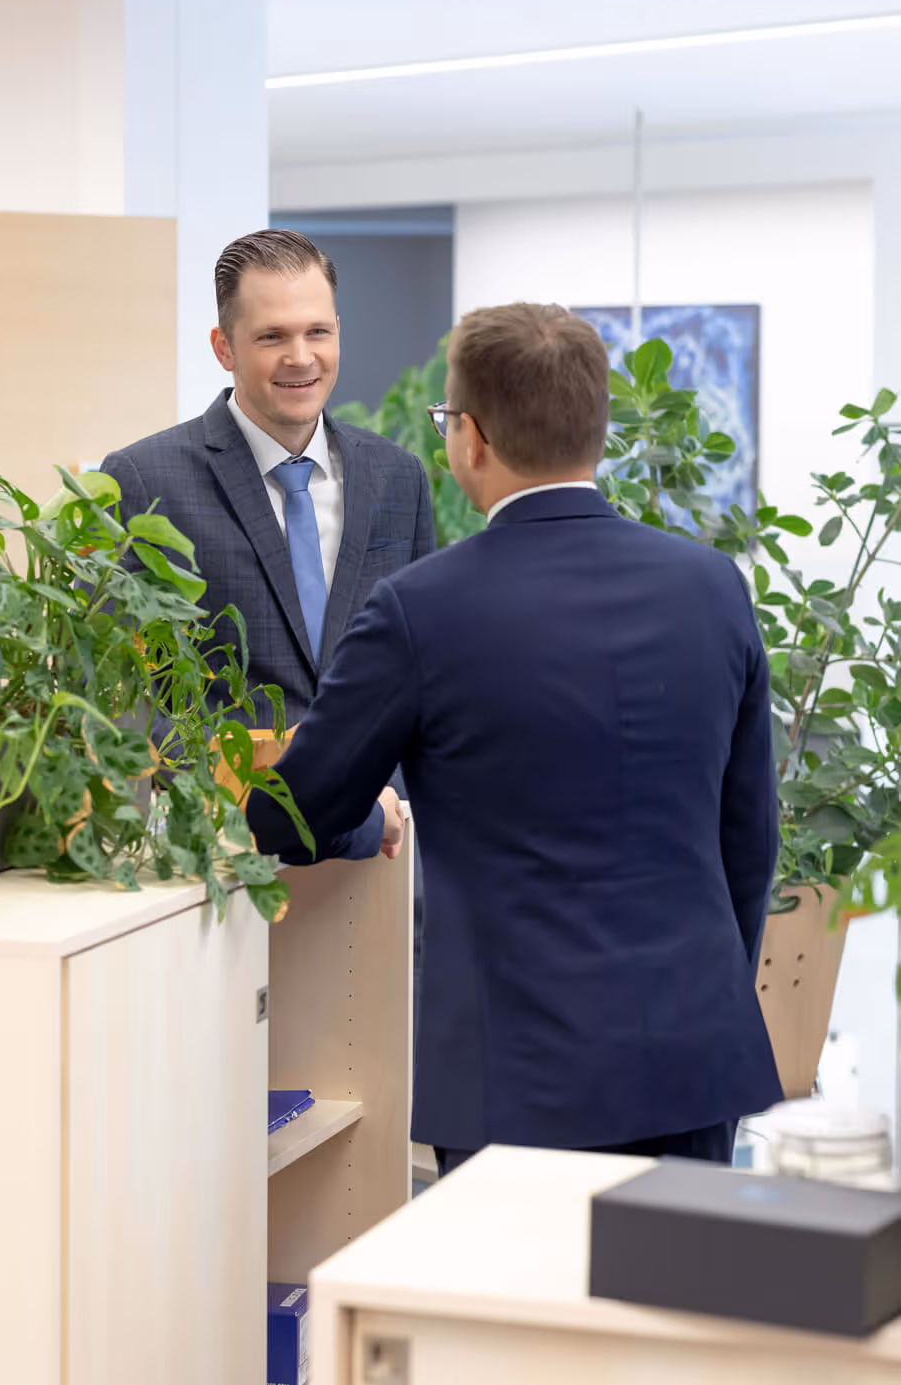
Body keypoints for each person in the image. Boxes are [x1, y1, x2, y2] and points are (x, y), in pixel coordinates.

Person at [247, 300, 783, 1176]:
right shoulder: (713, 587)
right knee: (670, 1311)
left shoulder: (420, 611)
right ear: (597, 432)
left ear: (471, 438)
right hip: (694, 1058)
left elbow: (287, 816)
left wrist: (375, 819)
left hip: (515, 1077)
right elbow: (749, 842)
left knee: (510, 1315)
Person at [101, 228, 435, 742]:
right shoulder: (144, 481)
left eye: (318, 332)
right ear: (224, 348)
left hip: (386, 809)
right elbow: (115, 692)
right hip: (226, 812)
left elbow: (421, 669)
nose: (301, 357)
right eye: (272, 336)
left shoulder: (398, 477)